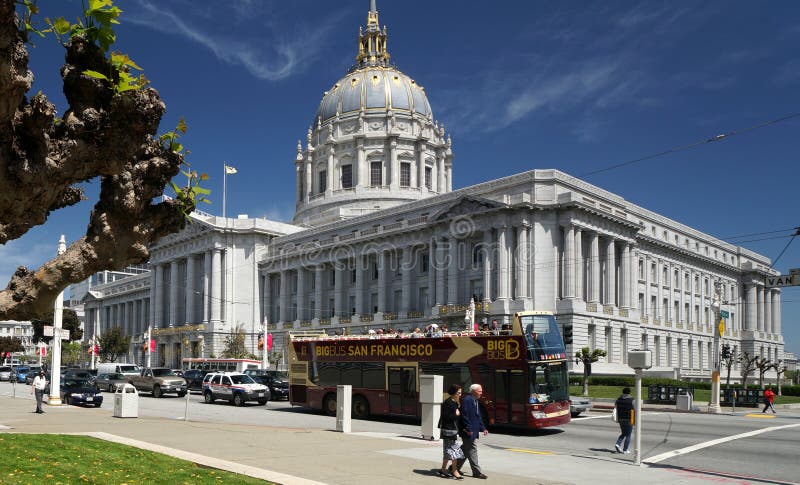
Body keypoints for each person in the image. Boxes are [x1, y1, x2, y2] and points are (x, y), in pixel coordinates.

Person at [457, 384, 488, 479]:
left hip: (473, 430)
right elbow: (464, 416)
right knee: (472, 450)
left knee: (465, 451)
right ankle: (477, 472)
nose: (481, 393)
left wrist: (483, 428)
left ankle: (454, 467)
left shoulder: (475, 400)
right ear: (473, 391)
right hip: (468, 431)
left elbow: (477, 416)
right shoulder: (467, 400)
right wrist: (468, 429)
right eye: (480, 391)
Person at [438, 384, 465, 479]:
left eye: (461, 393)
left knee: (449, 451)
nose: (460, 395)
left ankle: (443, 469)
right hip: (448, 430)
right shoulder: (448, 402)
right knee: (454, 451)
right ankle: (454, 470)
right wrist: (456, 414)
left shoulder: (454, 402)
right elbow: (446, 417)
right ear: (453, 393)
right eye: (458, 393)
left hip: (452, 430)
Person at [614, 387, 635, 454]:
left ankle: (618, 444)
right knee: (628, 435)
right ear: (629, 392)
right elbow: (636, 409)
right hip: (629, 419)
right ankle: (625, 450)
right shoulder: (632, 400)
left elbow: (615, 407)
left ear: (623, 392)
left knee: (623, 433)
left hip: (620, 419)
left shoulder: (618, 400)